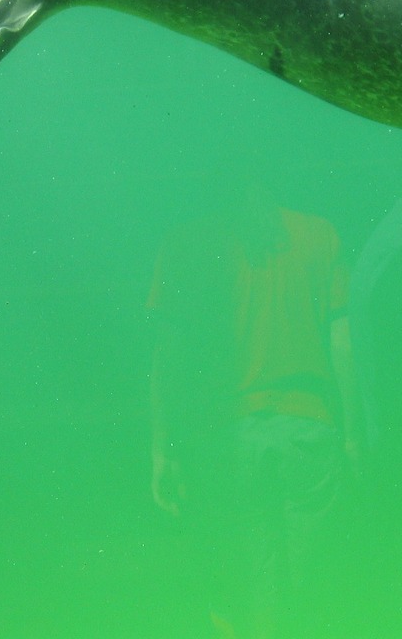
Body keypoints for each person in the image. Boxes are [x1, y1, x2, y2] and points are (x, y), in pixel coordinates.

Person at [147, 178, 357, 639]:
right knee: (313, 584)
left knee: (245, 591)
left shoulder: (183, 243)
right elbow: (341, 342)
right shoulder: (319, 235)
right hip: (310, 431)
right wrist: (352, 431)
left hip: (225, 438)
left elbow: (170, 360)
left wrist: (164, 450)